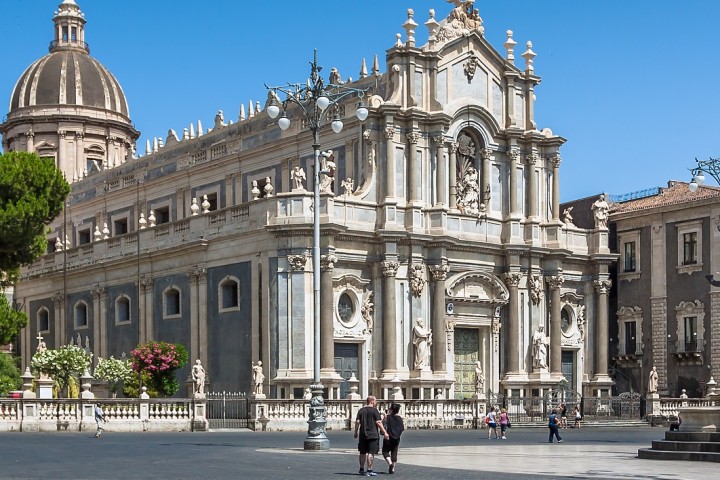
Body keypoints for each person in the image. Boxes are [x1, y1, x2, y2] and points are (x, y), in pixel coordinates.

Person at [354, 395, 390, 477]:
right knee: (371, 453)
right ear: (372, 401)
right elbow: (378, 422)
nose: (376, 402)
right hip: (372, 434)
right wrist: (385, 432)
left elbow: (357, 422)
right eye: (376, 401)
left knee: (362, 452)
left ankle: (361, 469)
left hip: (363, 434)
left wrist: (356, 432)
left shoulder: (361, 410)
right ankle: (369, 469)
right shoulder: (374, 411)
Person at [381, 403, 405, 474]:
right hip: (396, 438)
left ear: (391, 410)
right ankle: (393, 468)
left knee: (385, 451)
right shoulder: (399, 418)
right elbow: (402, 428)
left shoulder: (388, 417)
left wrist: (384, 417)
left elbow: (382, 425)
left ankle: (390, 464)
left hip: (388, 437)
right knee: (394, 452)